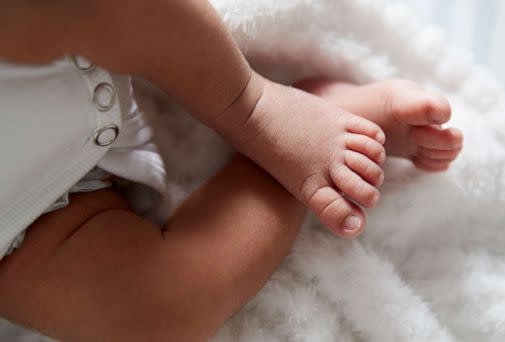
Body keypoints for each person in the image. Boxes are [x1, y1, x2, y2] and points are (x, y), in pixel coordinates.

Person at [0, 0, 462, 340]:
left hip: (35, 54)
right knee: (152, 315)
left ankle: (253, 106)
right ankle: (315, 125)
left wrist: (247, 105)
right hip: (24, 231)